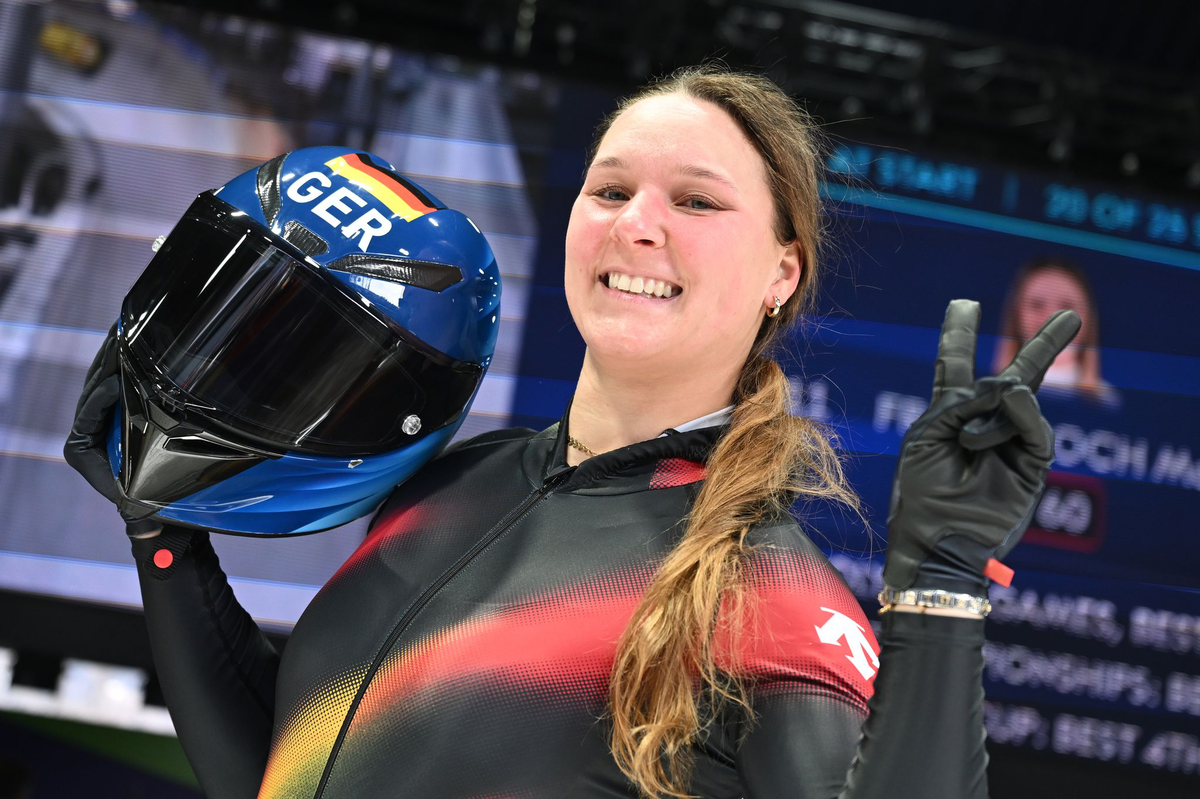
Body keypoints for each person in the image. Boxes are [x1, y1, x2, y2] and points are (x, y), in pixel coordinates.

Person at [65, 65, 1079, 798]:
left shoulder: (766, 601)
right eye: (612, 189)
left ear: (782, 273)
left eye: (696, 200)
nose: (639, 222)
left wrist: (942, 586)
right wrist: (163, 532)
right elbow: (278, 774)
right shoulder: (452, 480)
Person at [992, 256, 1118, 407]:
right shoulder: (985, 396)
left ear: (1088, 317)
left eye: (1067, 305)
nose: (1051, 317)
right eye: (1036, 304)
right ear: (1016, 314)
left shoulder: (1106, 402)